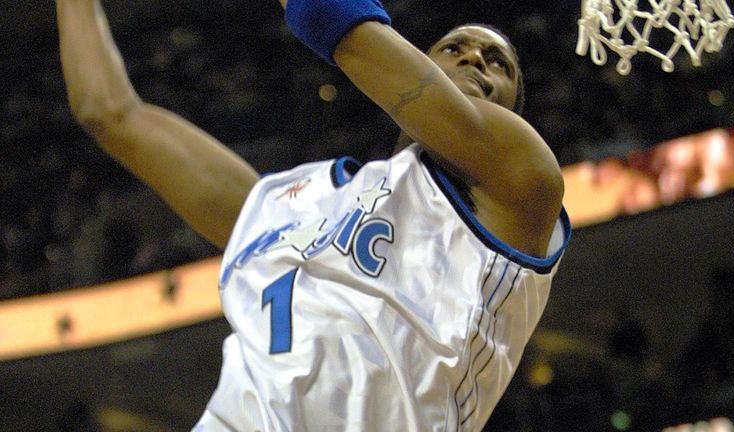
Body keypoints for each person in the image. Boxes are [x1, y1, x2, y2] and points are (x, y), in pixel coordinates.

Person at [56, 0, 571, 430]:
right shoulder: (290, 203)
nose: (476, 60)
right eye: (453, 49)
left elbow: (331, 14)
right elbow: (109, 112)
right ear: (422, 64)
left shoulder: (522, 181)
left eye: (498, 62)